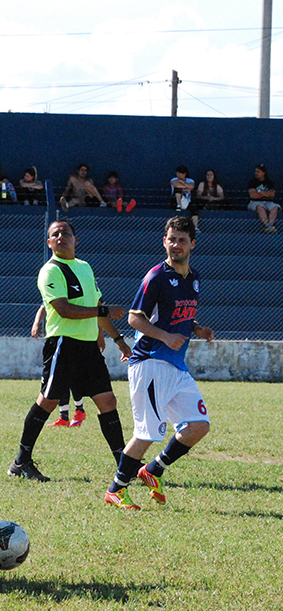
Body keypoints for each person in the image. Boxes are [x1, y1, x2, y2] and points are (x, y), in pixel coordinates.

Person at [7, 218, 131, 482]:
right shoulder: (50, 271)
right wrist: (103, 311)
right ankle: (21, 461)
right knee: (48, 402)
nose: (61, 237)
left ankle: (124, 464)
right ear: (49, 242)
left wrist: (118, 339)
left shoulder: (85, 267)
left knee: (107, 401)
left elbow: (97, 307)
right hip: (63, 345)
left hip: (88, 349)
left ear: (76, 239)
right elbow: (64, 309)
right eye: (55, 234)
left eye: (65, 233)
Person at [105, 216, 213, 510]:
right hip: (150, 362)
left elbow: (179, 314)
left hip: (175, 367)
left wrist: (197, 329)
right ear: (164, 241)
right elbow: (134, 318)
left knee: (198, 426)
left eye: (181, 239)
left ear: (192, 243)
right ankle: (116, 489)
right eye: (171, 239)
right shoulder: (156, 276)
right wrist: (165, 336)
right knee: (147, 433)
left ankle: (153, 469)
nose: (175, 244)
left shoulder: (195, 279)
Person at [30, 304, 86, 427]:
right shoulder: (57, 289)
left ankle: (79, 410)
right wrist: (36, 323)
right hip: (55, 339)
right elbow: (43, 306)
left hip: (74, 338)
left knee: (72, 377)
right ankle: (64, 416)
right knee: (59, 379)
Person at [247, 163, 279, 234]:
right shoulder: (252, 182)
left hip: (268, 202)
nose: (256, 173)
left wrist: (259, 191)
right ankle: (267, 225)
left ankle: (271, 225)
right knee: (260, 208)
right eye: (255, 171)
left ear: (263, 173)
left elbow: (272, 194)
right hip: (255, 202)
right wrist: (266, 194)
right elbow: (253, 196)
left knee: (275, 207)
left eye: (258, 172)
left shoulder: (269, 182)